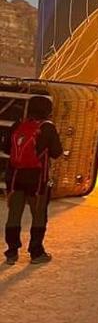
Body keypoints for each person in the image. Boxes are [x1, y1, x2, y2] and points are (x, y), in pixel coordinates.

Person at [4, 94, 63, 265]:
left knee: (14, 215)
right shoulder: (48, 127)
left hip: (14, 178)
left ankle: (11, 253)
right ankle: (36, 253)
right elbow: (56, 152)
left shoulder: (18, 124)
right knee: (39, 215)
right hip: (39, 180)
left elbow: (6, 148)